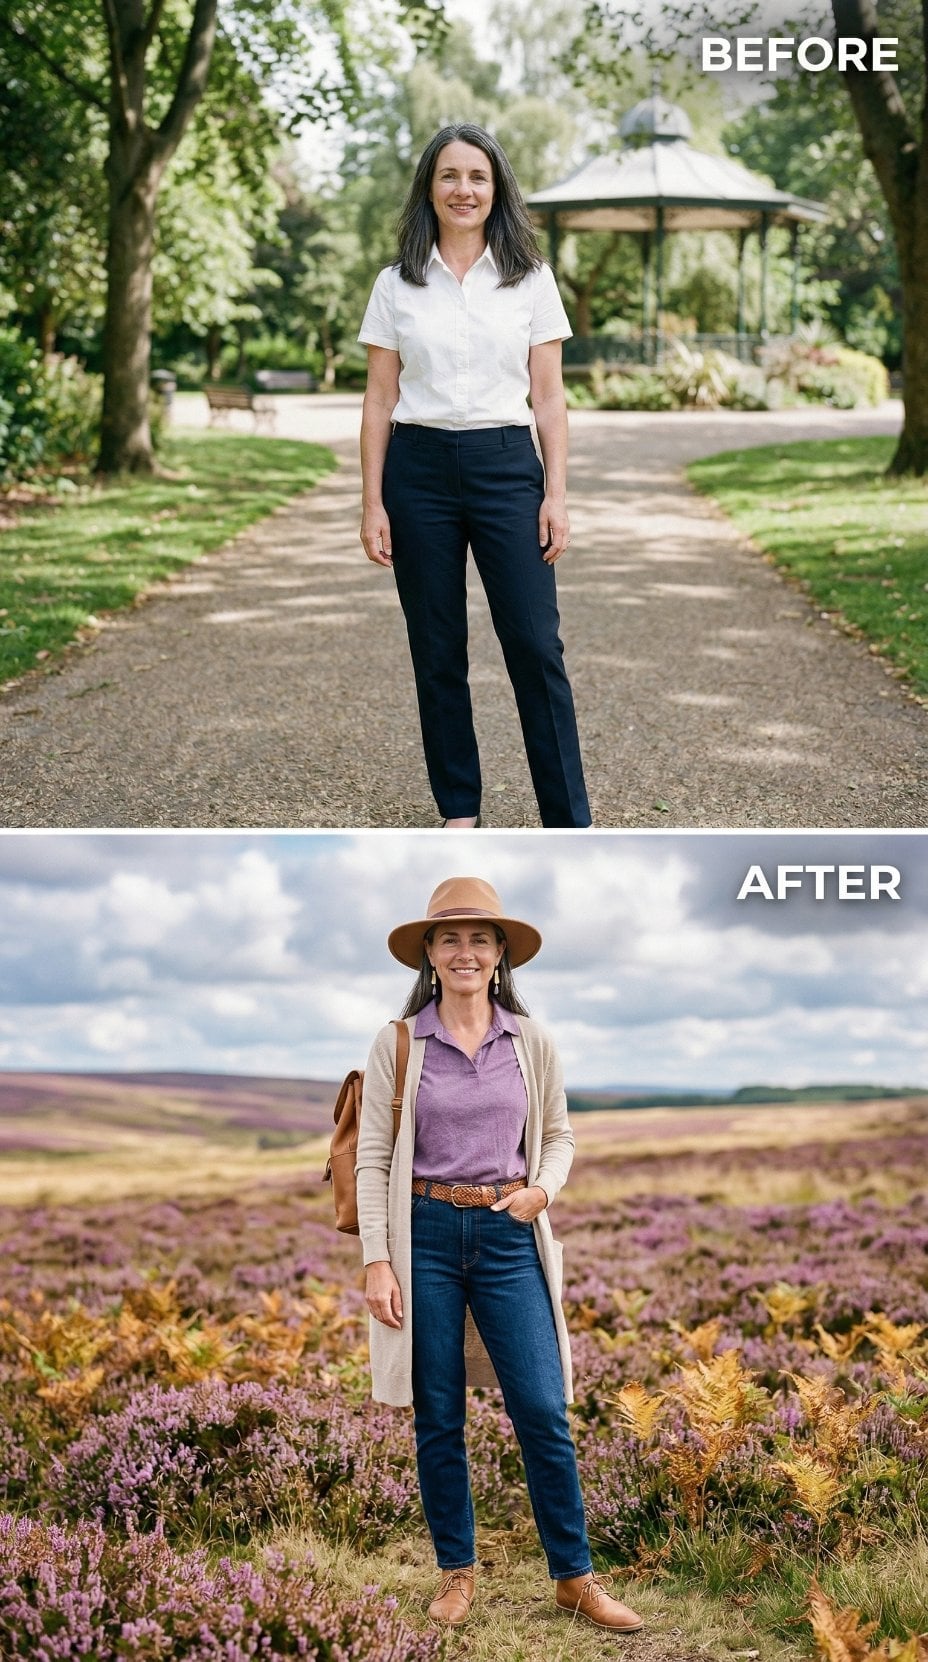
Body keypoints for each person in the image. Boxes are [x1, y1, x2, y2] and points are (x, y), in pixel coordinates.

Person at [355, 876, 643, 1633]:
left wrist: (543, 1190)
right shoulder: (398, 1042)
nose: (466, 951)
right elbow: (372, 1157)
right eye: (450, 938)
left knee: (543, 1409)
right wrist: (378, 1259)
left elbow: (559, 1136)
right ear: (428, 952)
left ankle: (575, 1579)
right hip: (423, 1235)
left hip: (510, 1234)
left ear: (500, 953)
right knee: (438, 1414)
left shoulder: (531, 1040)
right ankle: (456, 1574)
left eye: (480, 939)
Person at [357, 123, 591, 830]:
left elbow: (548, 397)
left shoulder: (530, 279)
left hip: (506, 468)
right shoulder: (396, 283)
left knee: (535, 645)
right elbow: (379, 398)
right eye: (450, 176)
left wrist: (556, 495)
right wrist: (372, 502)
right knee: (437, 649)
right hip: (418, 472)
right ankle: (459, 810)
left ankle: (568, 819)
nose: (464, 189)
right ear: (430, 188)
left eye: (478, 177)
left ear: (497, 189)